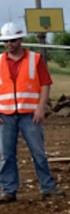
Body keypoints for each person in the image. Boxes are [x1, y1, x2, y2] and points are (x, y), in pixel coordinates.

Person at [0, 22, 65, 201]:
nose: (9, 44)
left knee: (38, 152)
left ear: (20, 39)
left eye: (12, 40)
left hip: (30, 114)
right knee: (6, 155)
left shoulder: (34, 59)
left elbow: (45, 84)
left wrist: (40, 107)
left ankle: (47, 187)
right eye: (6, 41)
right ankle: (8, 190)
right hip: (5, 115)